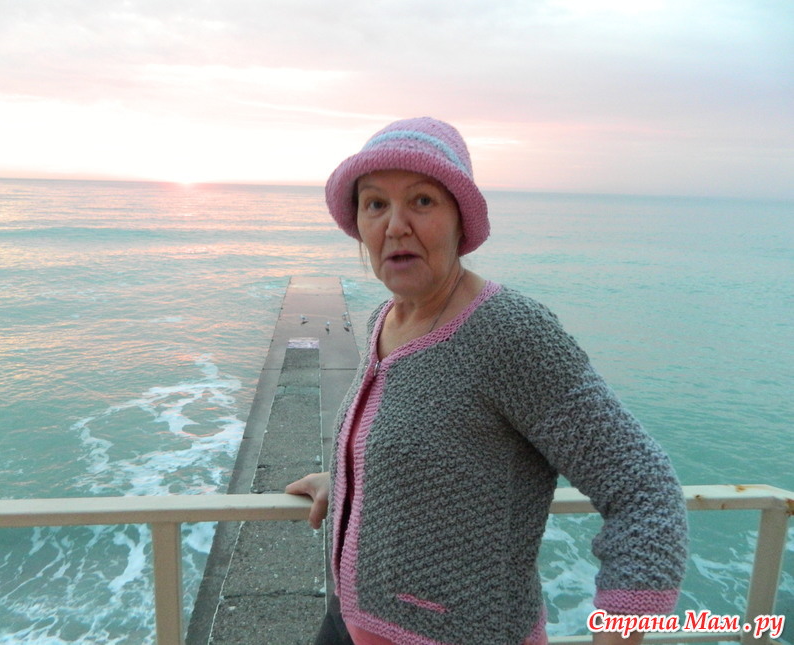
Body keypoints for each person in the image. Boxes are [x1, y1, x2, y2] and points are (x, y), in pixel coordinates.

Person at [286, 117, 688, 645]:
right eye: (375, 203)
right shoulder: (385, 318)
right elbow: (436, 449)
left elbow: (645, 491)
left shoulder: (509, 332)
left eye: (422, 201)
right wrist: (351, 477)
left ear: (461, 219)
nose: (396, 225)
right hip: (348, 622)